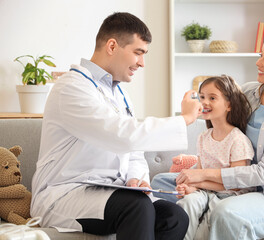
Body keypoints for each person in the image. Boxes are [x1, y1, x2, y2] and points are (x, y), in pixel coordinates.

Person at [30, 12, 202, 240]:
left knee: (174, 216)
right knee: (136, 207)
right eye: (138, 53)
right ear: (112, 46)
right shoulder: (71, 88)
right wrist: (185, 119)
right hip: (65, 193)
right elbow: (122, 135)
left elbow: (134, 152)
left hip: (110, 191)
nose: (142, 63)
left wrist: (136, 178)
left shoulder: (119, 93)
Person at [151, 32, 264, 240]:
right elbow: (219, 112)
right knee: (161, 182)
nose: (259, 62)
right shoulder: (250, 93)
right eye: (261, 55)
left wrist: (202, 176)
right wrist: (193, 110)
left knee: (226, 212)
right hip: (231, 182)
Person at [175, 75, 256, 240]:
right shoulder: (203, 137)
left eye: (212, 98)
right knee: (186, 203)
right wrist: (192, 188)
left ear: (229, 105)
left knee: (204, 230)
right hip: (207, 192)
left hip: (229, 195)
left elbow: (236, 185)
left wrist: (198, 183)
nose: (204, 102)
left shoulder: (237, 140)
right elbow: (199, 171)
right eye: (202, 97)